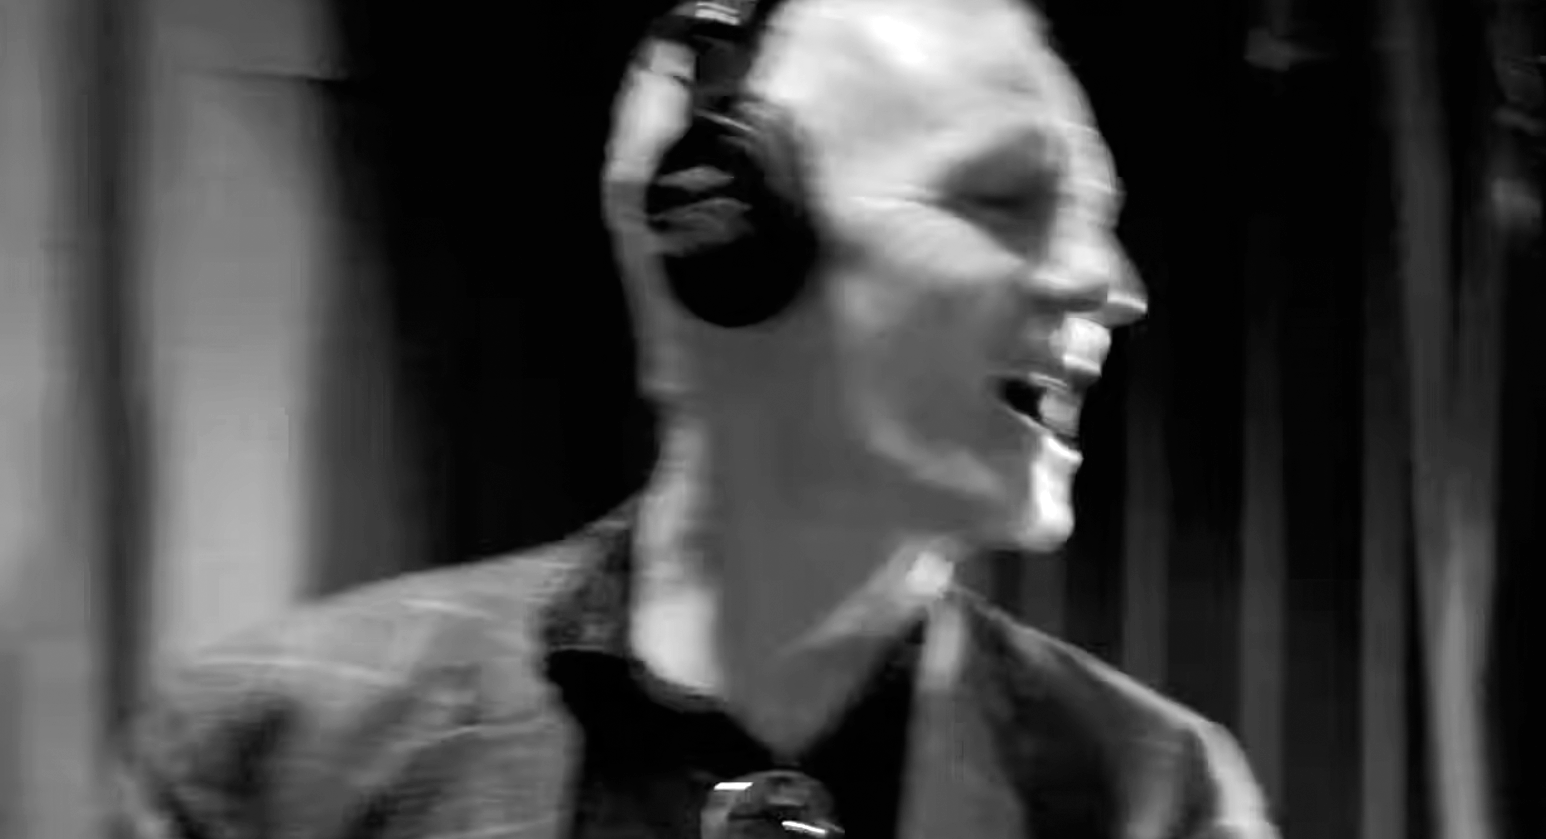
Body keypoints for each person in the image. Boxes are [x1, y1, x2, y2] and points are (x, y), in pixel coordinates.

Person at [117, 0, 1278, 836]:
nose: (1110, 283)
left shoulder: (1157, 792)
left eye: (1098, 220)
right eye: (1005, 198)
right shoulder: (271, 754)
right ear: (722, 233)